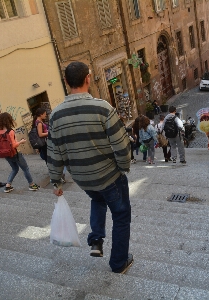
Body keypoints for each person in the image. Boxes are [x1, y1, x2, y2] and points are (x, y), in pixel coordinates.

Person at [48, 61, 133, 274]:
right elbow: (121, 145)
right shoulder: (103, 108)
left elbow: (54, 152)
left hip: (82, 178)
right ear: (88, 79)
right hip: (109, 175)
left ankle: (96, 239)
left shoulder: (56, 116)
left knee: (97, 199)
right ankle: (118, 263)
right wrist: (123, 167)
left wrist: (56, 180)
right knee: (121, 215)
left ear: (66, 82)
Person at [0, 112, 40, 193]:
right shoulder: (10, 131)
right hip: (15, 153)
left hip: (5, 154)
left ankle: (8, 185)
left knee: (15, 169)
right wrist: (21, 142)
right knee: (25, 168)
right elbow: (13, 145)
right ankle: (31, 185)